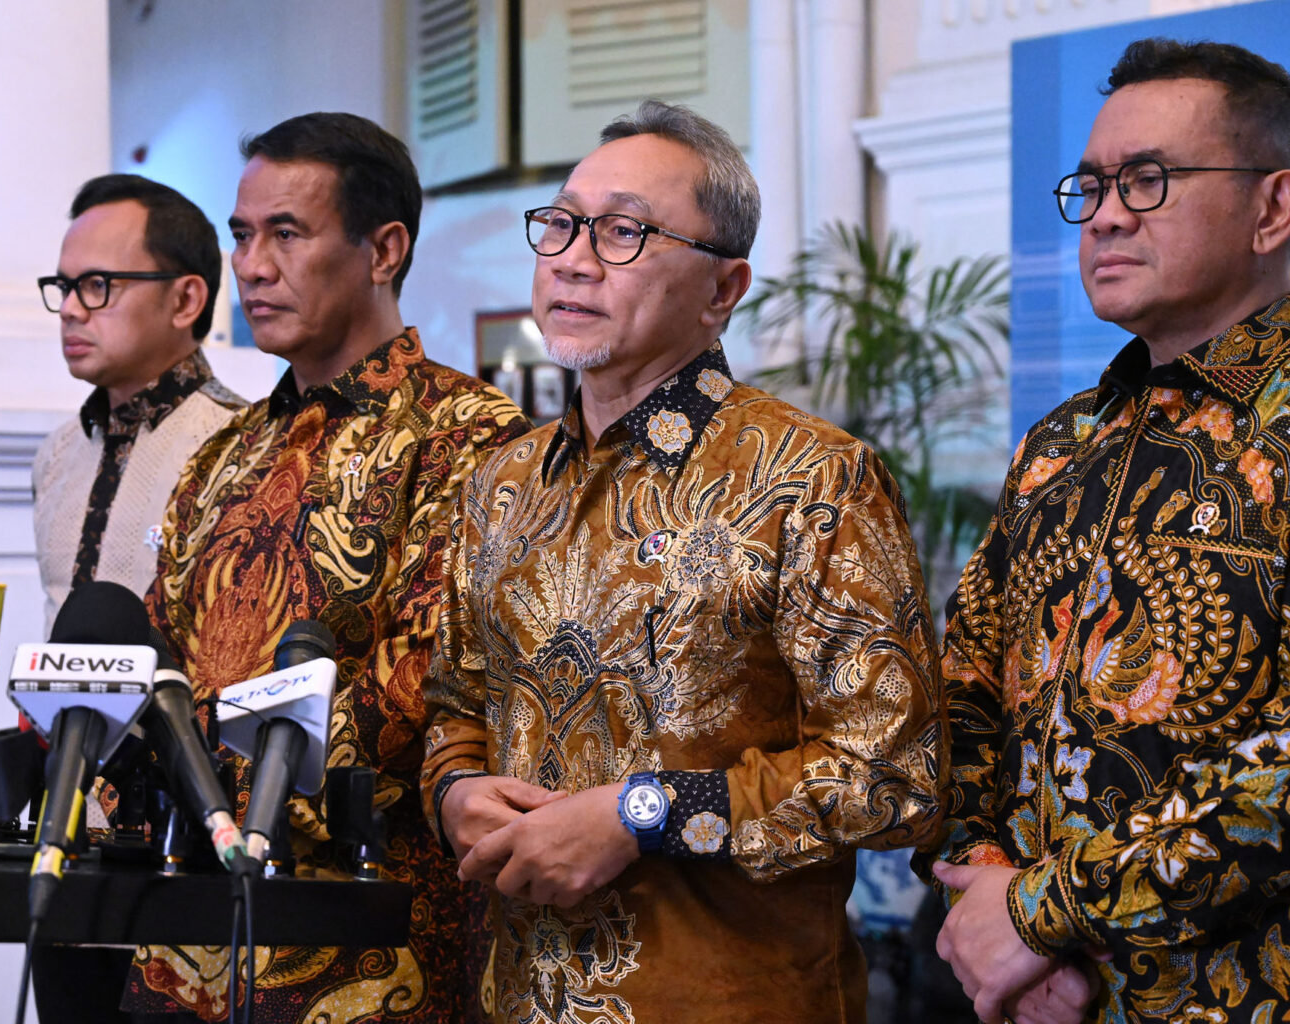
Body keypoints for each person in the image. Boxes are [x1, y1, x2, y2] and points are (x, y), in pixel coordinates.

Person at [421, 99, 946, 1024]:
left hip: (725, 999)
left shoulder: (811, 478)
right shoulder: (501, 481)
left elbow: (894, 779)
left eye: (624, 231)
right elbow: (456, 706)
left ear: (723, 288)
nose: (575, 258)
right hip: (514, 996)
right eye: (562, 224)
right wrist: (456, 791)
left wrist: (642, 815)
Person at [126, 112, 529, 1023]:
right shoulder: (222, 455)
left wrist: (209, 779)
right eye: (241, 235)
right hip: (182, 943)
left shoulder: (471, 438)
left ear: (383, 249)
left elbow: (423, 686)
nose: (253, 266)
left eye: (287, 233)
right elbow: (159, 659)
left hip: (366, 952)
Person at [927, 38, 1290, 1024]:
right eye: (1090, 184)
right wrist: (990, 902)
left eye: (1149, 179)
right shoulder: (1057, 446)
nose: (1108, 212)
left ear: (1273, 207)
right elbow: (963, 696)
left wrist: (1044, 914)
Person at [32, 173, 245, 631]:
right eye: (65, 286)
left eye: (95, 284)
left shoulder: (246, 447)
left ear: (186, 299)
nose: (70, 308)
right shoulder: (56, 455)